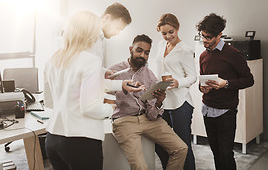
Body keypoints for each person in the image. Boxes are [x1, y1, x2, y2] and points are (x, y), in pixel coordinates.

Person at [43, 11, 139, 170]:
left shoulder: (53, 59)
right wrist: (110, 108)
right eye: (95, 31)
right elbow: (90, 108)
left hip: (53, 139)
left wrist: (117, 84)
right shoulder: (90, 61)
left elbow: (50, 101)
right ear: (88, 33)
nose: (97, 36)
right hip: (80, 141)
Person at [107, 34, 188, 170]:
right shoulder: (114, 71)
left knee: (181, 148)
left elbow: (152, 115)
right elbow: (104, 97)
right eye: (139, 50)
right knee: (141, 167)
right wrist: (122, 92)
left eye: (146, 52)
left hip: (148, 120)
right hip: (124, 121)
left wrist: (158, 102)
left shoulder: (150, 75)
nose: (142, 55)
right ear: (131, 49)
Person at [196, 13, 254, 170]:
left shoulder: (233, 54)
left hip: (226, 112)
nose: (204, 40)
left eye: (208, 37)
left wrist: (226, 83)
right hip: (207, 109)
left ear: (219, 35)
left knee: (226, 155)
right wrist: (202, 88)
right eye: (202, 36)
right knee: (216, 153)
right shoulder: (203, 56)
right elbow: (201, 81)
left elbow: (249, 80)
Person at [155, 13, 197, 170]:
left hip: (181, 103)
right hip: (163, 102)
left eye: (171, 32)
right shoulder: (160, 45)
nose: (167, 36)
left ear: (177, 28)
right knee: (163, 144)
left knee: (183, 145)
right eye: (164, 33)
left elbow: (193, 77)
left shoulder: (185, 50)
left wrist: (178, 82)